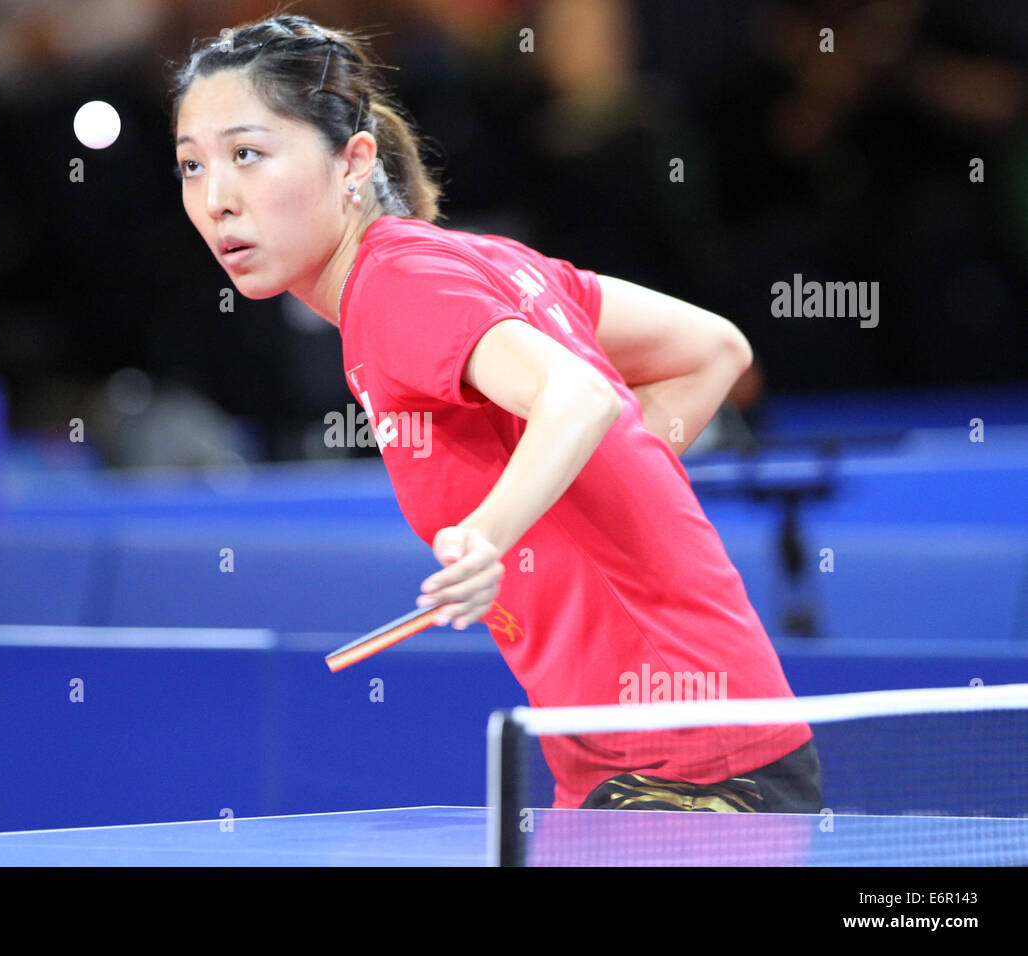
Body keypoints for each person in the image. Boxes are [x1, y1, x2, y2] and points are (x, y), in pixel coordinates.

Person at [169, 12, 821, 813]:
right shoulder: (476, 260)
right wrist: (587, 495)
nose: (217, 200)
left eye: (247, 155)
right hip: (635, 750)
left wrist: (490, 535)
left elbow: (579, 395)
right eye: (192, 167)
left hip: (684, 763)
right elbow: (713, 349)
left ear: (353, 161)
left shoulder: (397, 286)